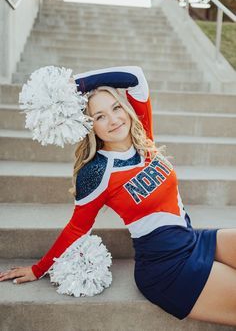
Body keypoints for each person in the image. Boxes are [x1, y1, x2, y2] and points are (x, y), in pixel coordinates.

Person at [0, 65, 236, 325]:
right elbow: (77, 228)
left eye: (116, 108)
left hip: (194, 240)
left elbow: (135, 77)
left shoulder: (143, 138)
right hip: (167, 268)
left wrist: (70, 88)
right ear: (90, 126)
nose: (113, 120)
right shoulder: (97, 172)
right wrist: (37, 269)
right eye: (99, 116)